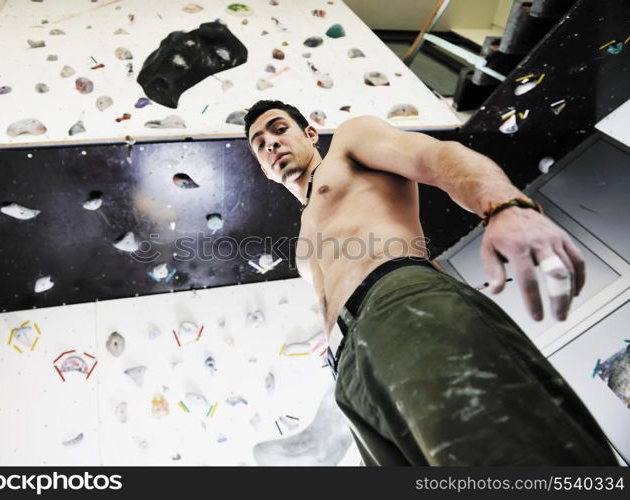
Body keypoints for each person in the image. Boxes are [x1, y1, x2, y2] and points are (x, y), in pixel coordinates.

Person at [244, 100, 618, 466]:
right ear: (263, 168)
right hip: (348, 372)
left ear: (310, 134)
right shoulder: (301, 248)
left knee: (498, 453)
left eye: (279, 129)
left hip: (398, 303)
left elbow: (435, 156)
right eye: (260, 144)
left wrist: (504, 206)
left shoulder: (349, 142)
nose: (271, 143)